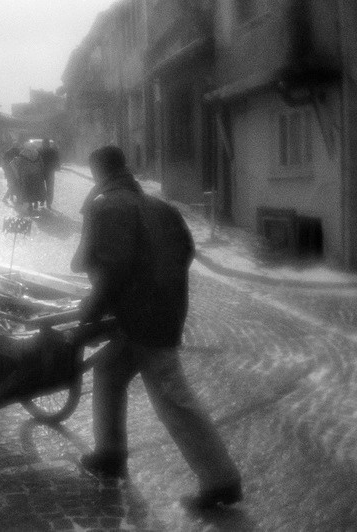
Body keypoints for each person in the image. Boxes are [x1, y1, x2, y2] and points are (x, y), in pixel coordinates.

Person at [71, 145, 242, 511]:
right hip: (158, 311)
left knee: (172, 396)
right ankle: (110, 453)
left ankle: (221, 479)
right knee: (109, 372)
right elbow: (186, 250)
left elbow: (113, 268)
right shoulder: (160, 206)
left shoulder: (107, 206)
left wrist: (91, 311)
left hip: (143, 320)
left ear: (98, 171)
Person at [10, 144, 46, 212]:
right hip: (37, 175)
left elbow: (15, 165)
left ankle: (30, 205)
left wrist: (18, 175)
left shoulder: (22, 156)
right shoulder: (37, 155)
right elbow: (42, 165)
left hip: (27, 176)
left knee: (28, 190)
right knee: (36, 189)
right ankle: (36, 202)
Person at [39, 138, 61, 209]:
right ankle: (49, 203)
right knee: (50, 188)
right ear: (49, 144)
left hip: (41, 171)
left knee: (42, 187)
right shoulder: (53, 151)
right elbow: (57, 160)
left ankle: (42, 200)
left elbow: (37, 160)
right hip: (50, 172)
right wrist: (57, 167)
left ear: (42, 143)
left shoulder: (39, 150)